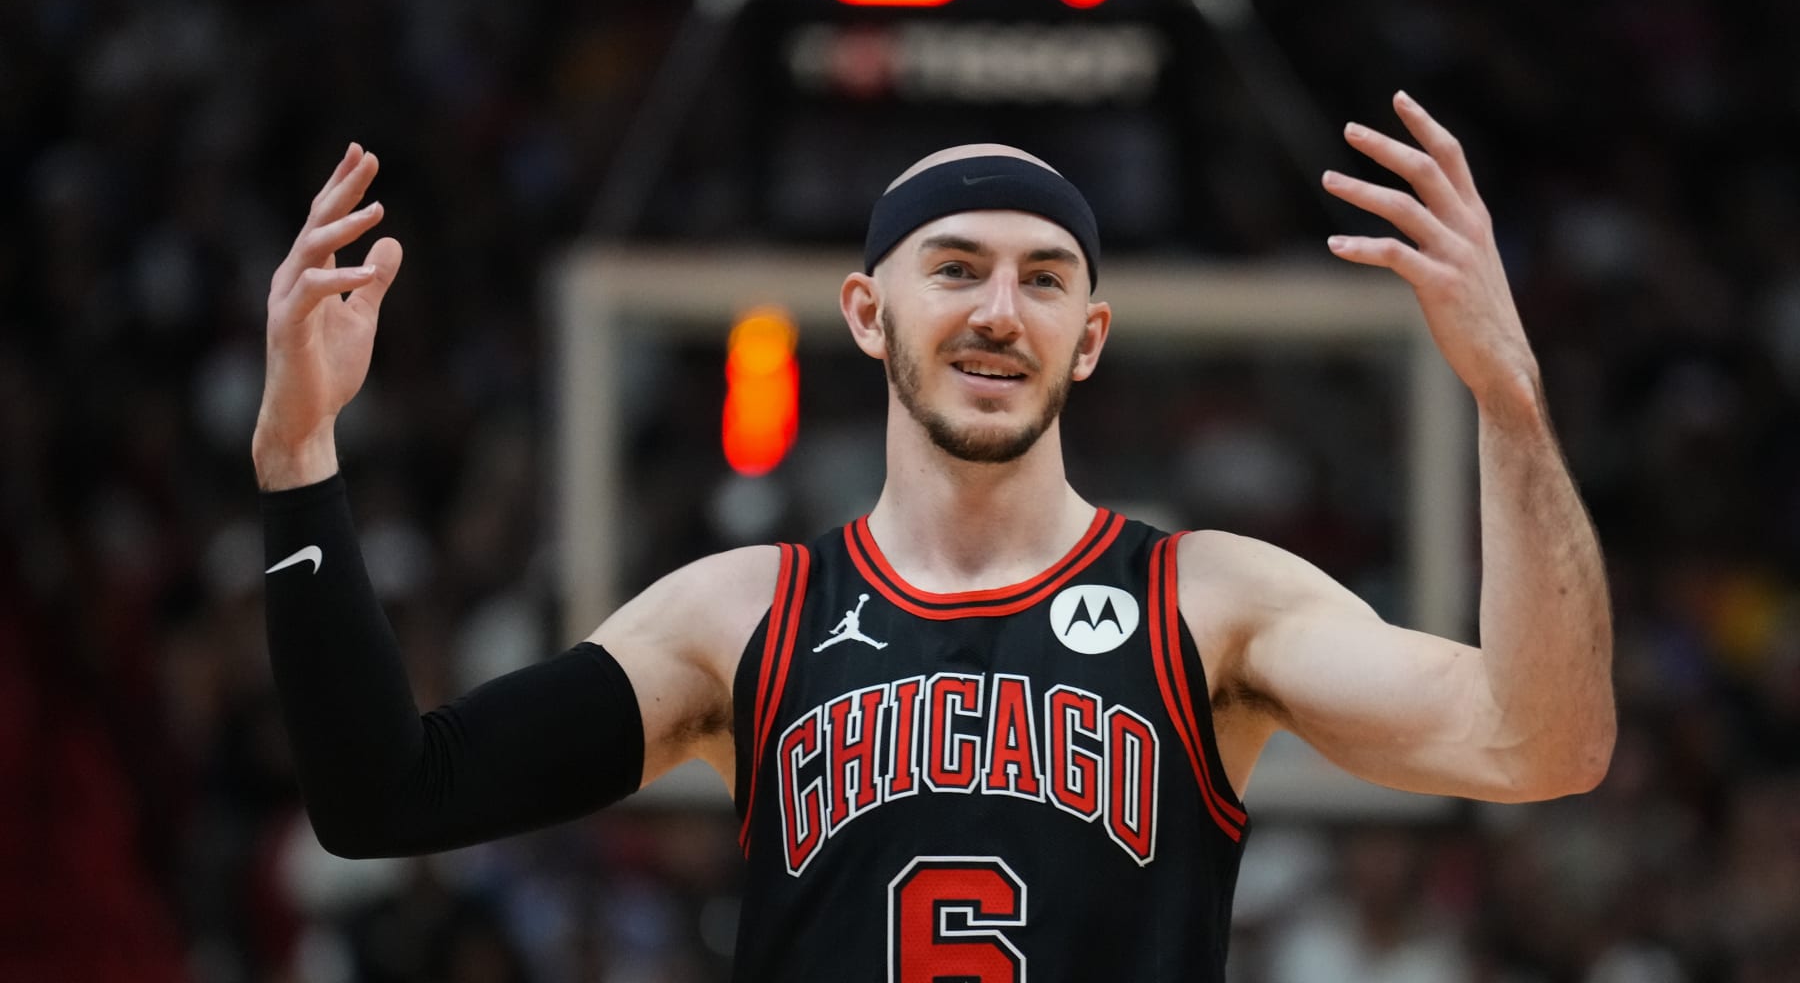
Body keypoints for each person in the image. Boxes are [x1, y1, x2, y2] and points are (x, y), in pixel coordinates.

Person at [255, 92, 1614, 982]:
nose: (996, 310)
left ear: (1088, 340)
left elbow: (1543, 741)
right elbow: (388, 798)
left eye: (1042, 278)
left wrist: (1509, 399)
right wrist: (298, 457)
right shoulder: (740, 618)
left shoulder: (1213, 603)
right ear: (866, 312)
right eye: (954, 266)